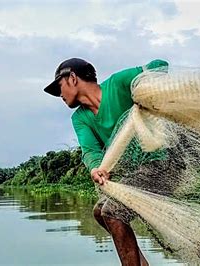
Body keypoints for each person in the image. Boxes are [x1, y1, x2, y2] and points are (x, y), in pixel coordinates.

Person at [44, 58, 169, 266]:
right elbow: (90, 150)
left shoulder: (118, 84)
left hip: (161, 165)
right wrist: (96, 167)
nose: (60, 96)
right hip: (135, 173)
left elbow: (160, 65)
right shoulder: (80, 118)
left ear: (73, 78)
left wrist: (145, 91)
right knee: (99, 212)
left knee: (112, 212)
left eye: (59, 87)